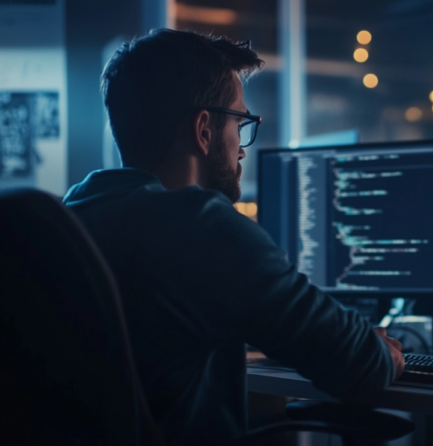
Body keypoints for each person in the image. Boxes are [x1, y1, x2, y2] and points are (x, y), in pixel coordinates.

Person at [63, 29, 404, 445]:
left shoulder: (69, 217)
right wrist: (379, 349)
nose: (242, 148)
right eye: (239, 123)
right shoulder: (201, 228)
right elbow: (360, 367)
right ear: (204, 129)